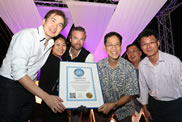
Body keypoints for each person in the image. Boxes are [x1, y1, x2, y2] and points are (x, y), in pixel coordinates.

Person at [0, 9, 67, 122]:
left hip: (29, 88)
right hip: (10, 86)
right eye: (53, 20)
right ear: (44, 21)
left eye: (60, 25)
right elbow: (18, 73)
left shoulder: (50, 43)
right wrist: (46, 97)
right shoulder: (27, 36)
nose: (55, 26)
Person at [137, 29, 182, 122]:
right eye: (144, 44)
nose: (148, 47)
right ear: (141, 47)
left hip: (175, 105)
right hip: (155, 105)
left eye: (151, 42)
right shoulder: (142, 65)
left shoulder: (174, 62)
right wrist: (145, 108)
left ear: (158, 43)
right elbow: (143, 87)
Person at [96, 32, 139, 122]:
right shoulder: (98, 66)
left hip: (124, 111)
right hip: (102, 110)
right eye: (110, 45)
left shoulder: (129, 67)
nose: (114, 48)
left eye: (117, 45)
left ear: (121, 47)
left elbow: (130, 94)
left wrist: (114, 104)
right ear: (105, 47)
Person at [62, 26, 94, 122]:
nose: (78, 42)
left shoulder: (88, 56)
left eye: (81, 39)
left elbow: (89, 81)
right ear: (70, 39)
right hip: (61, 92)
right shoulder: (62, 50)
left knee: (75, 119)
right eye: (76, 38)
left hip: (77, 95)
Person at [39, 34, 68, 122]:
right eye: (57, 44)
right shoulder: (50, 60)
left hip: (54, 104)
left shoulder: (58, 61)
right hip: (53, 104)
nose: (61, 47)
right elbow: (44, 85)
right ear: (51, 46)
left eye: (63, 45)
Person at [126, 44, 146, 122]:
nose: (131, 54)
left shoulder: (149, 66)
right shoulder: (127, 71)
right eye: (129, 52)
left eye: (134, 51)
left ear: (140, 53)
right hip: (134, 105)